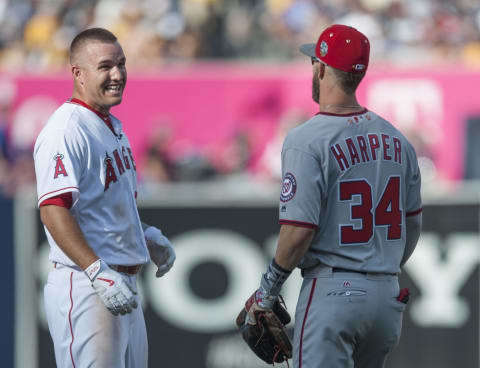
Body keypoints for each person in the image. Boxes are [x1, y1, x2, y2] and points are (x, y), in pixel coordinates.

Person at [245, 24, 422, 368]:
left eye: (314, 60)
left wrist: (268, 290)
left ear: (322, 67)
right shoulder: (397, 139)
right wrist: (382, 270)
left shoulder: (307, 139)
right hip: (386, 297)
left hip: (333, 291)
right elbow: (412, 225)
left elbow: (298, 230)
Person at [33, 28, 176, 368]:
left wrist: (144, 235)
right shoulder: (67, 128)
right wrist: (96, 270)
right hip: (86, 283)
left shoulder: (111, 125)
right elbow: (53, 209)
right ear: (77, 73)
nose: (117, 74)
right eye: (105, 66)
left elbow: (101, 208)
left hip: (121, 283)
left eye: (121, 64)